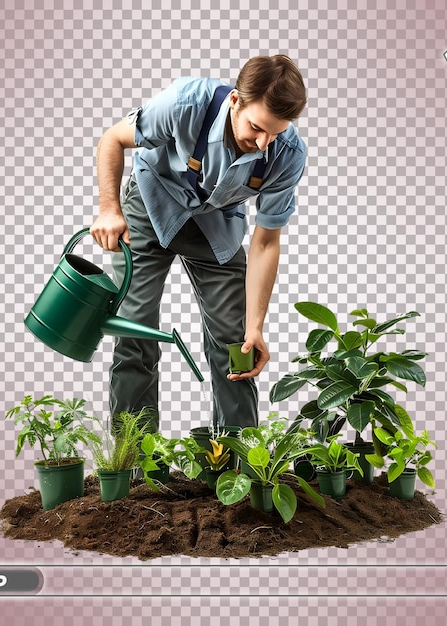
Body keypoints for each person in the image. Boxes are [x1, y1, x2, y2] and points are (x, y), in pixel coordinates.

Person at [90, 55, 307, 432]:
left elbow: (266, 242)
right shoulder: (185, 102)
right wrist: (109, 210)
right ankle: (135, 465)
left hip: (215, 222)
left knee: (236, 343)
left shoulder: (287, 154)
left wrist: (255, 326)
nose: (263, 143)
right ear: (235, 101)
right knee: (134, 329)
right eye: (256, 128)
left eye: (275, 132)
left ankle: (239, 462)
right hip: (151, 205)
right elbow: (113, 139)